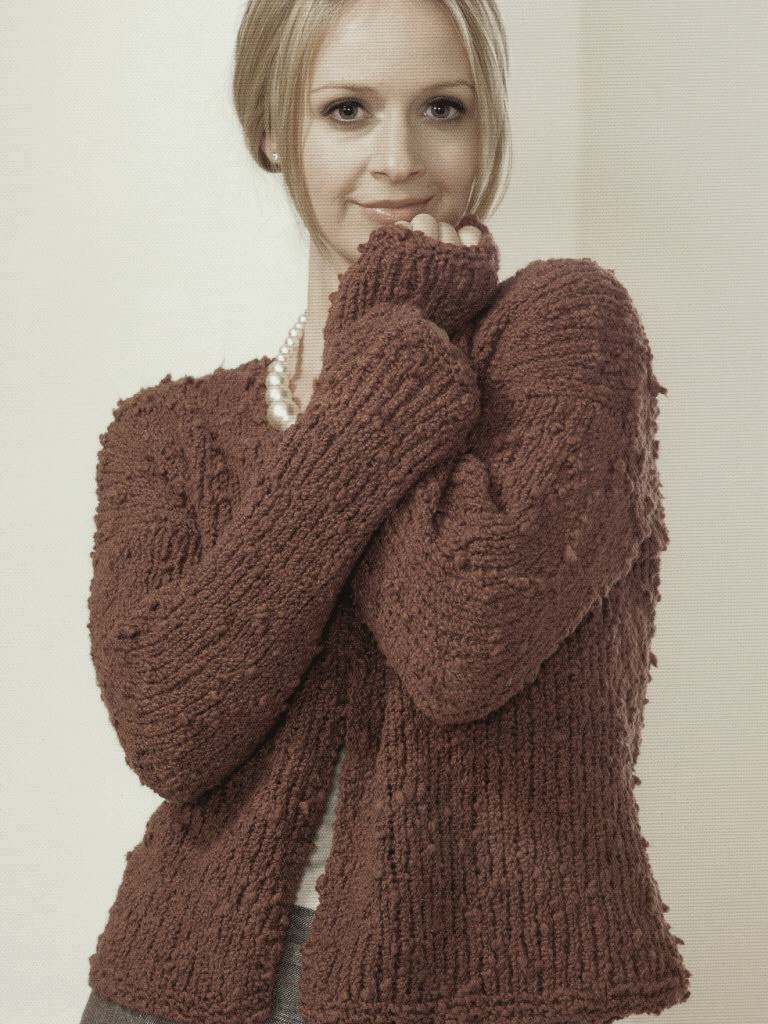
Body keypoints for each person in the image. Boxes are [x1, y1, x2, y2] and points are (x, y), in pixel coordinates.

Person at [80, 2, 691, 1024]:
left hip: (483, 991)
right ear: (274, 130)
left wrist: (379, 340)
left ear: (487, 123)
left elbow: (464, 643)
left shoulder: (567, 335)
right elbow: (172, 729)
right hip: (173, 989)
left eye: (442, 108)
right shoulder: (167, 435)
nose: (399, 159)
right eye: (348, 110)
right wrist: (378, 394)